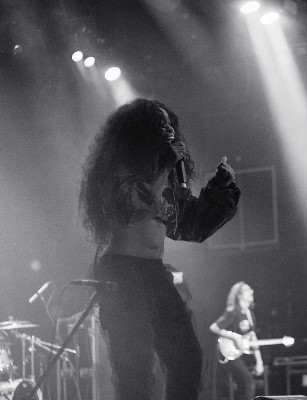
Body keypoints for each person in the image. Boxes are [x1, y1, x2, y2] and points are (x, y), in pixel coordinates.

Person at [78, 98, 241, 400]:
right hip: (123, 273)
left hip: (154, 273)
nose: (169, 131)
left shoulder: (167, 176)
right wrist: (165, 165)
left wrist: (219, 189)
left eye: (170, 125)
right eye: (160, 125)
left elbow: (190, 225)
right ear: (142, 132)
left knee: (187, 360)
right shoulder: (121, 169)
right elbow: (134, 207)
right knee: (135, 369)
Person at [210, 282, 264, 400]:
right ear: (239, 295)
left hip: (242, 353)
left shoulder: (250, 314)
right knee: (247, 382)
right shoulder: (233, 311)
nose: (252, 291)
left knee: (246, 385)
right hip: (229, 353)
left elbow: (253, 338)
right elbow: (214, 327)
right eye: (247, 290)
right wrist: (234, 337)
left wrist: (259, 361)